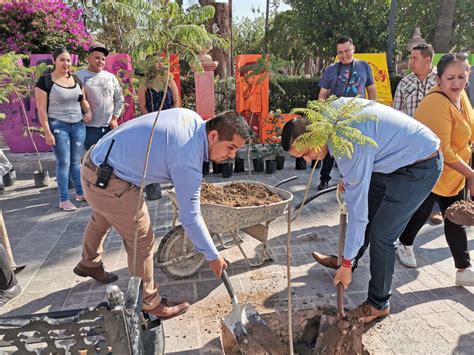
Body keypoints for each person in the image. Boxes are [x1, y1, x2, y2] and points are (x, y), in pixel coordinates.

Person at [73, 109, 251, 319]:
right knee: (142, 238)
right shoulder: (187, 159)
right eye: (231, 147)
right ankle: (148, 302)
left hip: (94, 163)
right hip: (107, 178)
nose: (232, 155)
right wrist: (212, 256)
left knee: (103, 213)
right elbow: (191, 217)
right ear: (213, 136)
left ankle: (89, 263)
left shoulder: (192, 119)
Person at [281, 98, 441, 323]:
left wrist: (354, 175)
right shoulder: (330, 119)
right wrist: (352, 177)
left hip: (419, 165)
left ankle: (378, 303)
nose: (308, 161)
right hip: (388, 161)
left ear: (315, 135)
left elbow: (358, 215)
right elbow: (363, 156)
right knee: (368, 218)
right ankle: (348, 259)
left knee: (382, 235)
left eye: (306, 153)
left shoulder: (348, 144)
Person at [397, 53, 473, 285]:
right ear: (438, 79)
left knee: (455, 217)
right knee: (420, 214)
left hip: (454, 173)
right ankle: (404, 243)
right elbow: (443, 149)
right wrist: (470, 174)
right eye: (450, 78)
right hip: (429, 171)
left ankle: (463, 269)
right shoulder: (435, 103)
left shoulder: (461, 97)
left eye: (461, 76)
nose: (456, 82)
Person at [317, 36, 377, 191]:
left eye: (347, 51)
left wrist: (373, 107)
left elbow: (371, 88)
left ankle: (352, 180)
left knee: (355, 150)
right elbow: (322, 93)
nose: (344, 55)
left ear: (353, 49)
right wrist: (321, 114)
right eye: (340, 52)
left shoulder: (364, 66)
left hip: (358, 115)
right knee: (331, 150)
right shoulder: (330, 70)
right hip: (335, 117)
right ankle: (324, 179)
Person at [35, 48, 91, 211]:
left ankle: (81, 194)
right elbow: (41, 109)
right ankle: (64, 199)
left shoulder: (76, 80)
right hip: (58, 125)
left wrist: (88, 111)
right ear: (54, 61)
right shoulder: (45, 81)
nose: (66, 63)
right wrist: (47, 131)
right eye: (62, 60)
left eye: (68, 60)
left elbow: (82, 100)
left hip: (78, 125)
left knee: (76, 162)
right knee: (63, 163)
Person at [392, 43, 442, 225]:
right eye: (410, 57)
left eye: (415, 58)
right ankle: (411, 208)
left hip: (438, 137)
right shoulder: (405, 82)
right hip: (411, 140)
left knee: (438, 171)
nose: (411, 62)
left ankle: (435, 209)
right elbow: (396, 112)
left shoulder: (442, 79)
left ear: (427, 60)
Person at [76, 43, 124, 150]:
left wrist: (114, 118)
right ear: (88, 58)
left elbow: (119, 99)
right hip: (88, 129)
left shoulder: (111, 77)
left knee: (109, 159)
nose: (101, 61)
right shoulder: (78, 77)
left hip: (109, 128)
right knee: (91, 161)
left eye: (103, 59)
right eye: (97, 58)